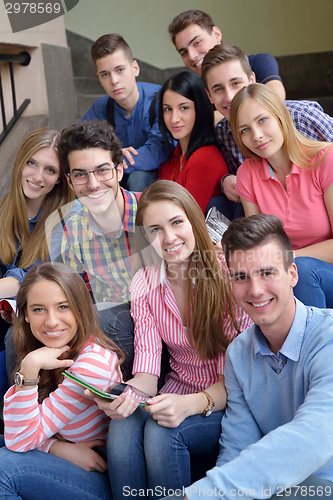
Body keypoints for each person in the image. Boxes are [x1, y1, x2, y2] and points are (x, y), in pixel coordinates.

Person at [89, 180, 252, 499]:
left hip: (226, 400)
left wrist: (191, 404)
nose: (169, 238)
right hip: (175, 389)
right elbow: (148, 370)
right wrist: (126, 397)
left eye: (176, 222)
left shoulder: (229, 273)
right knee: (123, 425)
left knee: (163, 432)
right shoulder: (145, 281)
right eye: (154, 230)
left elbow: (240, 375)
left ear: (192, 219)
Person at [164, 214, 333, 500]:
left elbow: (314, 437)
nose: (255, 290)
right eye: (241, 277)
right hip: (271, 488)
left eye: (267, 273)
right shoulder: (239, 353)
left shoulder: (327, 336)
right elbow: (236, 445)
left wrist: (202, 494)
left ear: (292, 274)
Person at [0, 262, 124, 500]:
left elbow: (19, 439)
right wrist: (58, 449)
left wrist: (29, 368)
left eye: (63, 307)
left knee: (5, 468)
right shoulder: (42, 351)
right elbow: (20, 430)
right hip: (62, 456)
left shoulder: (92, 363)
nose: (52, 321)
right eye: (38, 310)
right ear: (24, 314)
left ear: (80, 308)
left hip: (99, 479)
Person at [229, 83, 333, 308]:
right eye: (245, 129)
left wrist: (289, 258)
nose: (256, 135)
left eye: (262, 120)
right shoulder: (247, 173)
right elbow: (258, 243)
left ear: (281, 116)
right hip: (282, 273)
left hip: (322, 271)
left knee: (303, 272)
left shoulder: (326, 159)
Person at [201, 43, 333, 220]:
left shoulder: (303, 116)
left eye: (236, 83)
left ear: (252, 79)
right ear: (209, 96)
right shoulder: (223, 134)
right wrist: (225, 182)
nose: (230, 97)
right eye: (218, 89)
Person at [56, 120, 140, 379]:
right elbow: (76, 296)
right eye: (80, 174)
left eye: (102, 171)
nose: (92, 185)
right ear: (70, 182)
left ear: (119, 170)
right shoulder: (72, 231)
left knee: (108, 317)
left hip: (165, 329)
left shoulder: (153, 214)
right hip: (109, 336)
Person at [0, 128, 77, 397]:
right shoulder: (2, 209)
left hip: (40, 317)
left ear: (59, 179)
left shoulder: (65, 220)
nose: (37, 177)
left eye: (50, 170)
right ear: (20, 162)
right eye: (31, 163)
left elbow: (32, 276)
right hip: (7, 311)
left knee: (14, 336)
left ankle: (15, 425)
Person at [81, 33, 171, 192]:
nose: (114, 80)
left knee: (138, 178)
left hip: (157, 174)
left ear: (135, 68)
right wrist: (112, 157)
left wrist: (113, 161)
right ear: (99, 79)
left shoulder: (161, 99)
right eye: (105, 74)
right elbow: (78, 142)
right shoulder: (100, 108)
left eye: (120, 70)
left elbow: (158, 150)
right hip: (114, 173)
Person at [168, 10, 286, 100]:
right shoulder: (191, 91)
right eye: (184, 52)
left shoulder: (258, 62)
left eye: (197, 43)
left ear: (216, 34)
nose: (192, 56)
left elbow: (275, 98)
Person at [158, 70, 228, 213]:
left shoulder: (205, 157)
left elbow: (186, 217)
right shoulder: (172, 159)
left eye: (184, 108)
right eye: (167, 109)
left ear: (200, 108)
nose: (174, 119)